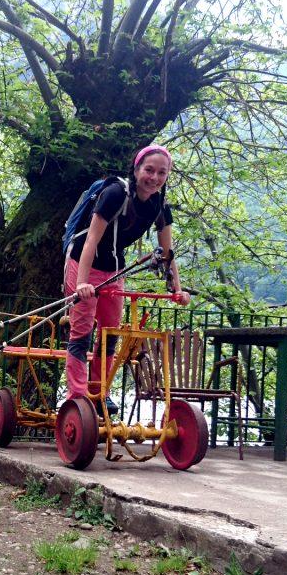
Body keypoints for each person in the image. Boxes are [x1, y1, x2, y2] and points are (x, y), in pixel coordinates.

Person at [63, 144, 190, 410]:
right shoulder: (114, 194)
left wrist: (177, 289)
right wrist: (82, 284)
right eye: (149, 170)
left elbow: (168, 253)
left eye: (161, 173)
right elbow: (90, 240)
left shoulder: (159, 204)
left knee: (110, 333)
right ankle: (76, 396)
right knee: (82, 331)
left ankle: (99, 393)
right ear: (136, 169)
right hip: (83, 263)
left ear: (167, 176)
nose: (154, 178)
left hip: (114, 269)